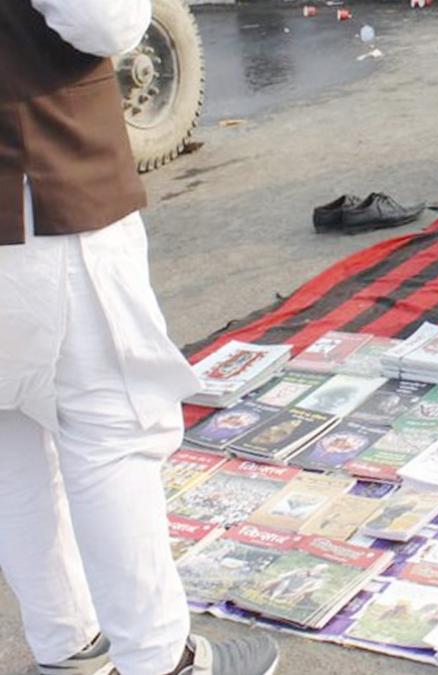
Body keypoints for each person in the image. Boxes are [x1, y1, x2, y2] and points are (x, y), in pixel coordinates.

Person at [0, 2, 280, 674]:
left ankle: (68, 645)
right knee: (113, 429)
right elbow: (107, 22)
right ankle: (160, 659)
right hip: (44, 191)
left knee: (12, 437)